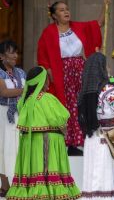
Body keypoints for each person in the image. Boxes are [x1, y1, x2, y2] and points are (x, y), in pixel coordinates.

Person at [37, 0, 108, 155]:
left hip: (80, 70)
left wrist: (104, 5)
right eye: (61, 10)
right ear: (54, 15)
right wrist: (49, 73)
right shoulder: (48, 32)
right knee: (67, 105)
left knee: (81, 103)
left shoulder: (77, 27)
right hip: (61, 72)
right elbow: (42, 55)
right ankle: (67, 141)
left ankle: (82, 139)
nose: (66, 11)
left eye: (67, 9)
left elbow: (98, 24)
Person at [6, 66, 80, 200]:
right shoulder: (47, 98)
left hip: (30, 142)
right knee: (47, 164)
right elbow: (61, 117)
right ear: (42, 81)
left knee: (36, 166)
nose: (49, 82)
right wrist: (63, 128)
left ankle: (33, 188)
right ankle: (48, 189)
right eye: (47, 79)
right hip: (48, 140)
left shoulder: (24, 101)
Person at [78, 52, 114, 199]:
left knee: (95, 178)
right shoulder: (109, 89)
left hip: (93, 139)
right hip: (113, 137)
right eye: (107, 65)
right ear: (102, 68)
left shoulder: (85, 92)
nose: (109, 68)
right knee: (113, 177)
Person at [0, 41, 25, 196]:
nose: (15, 56)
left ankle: (18, 184)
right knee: (3, 149)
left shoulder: (21, 72)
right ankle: (5, 186)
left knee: (17, 148)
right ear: (1, 56)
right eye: (11, 52)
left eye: (16, 52)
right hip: (3, 114)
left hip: (20, 114)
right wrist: (24, 90)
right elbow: (4, 92)